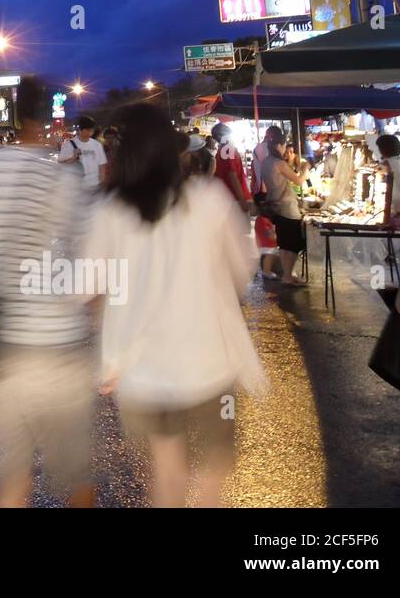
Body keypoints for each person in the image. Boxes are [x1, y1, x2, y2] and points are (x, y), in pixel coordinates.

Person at [82, 102, 266, 508]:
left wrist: (110, 343)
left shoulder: (109, 211)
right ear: (175, 153)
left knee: (167, 479)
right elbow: (241, 272)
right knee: (210, 481)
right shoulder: (208, 200)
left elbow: (88, 290)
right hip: (210, 365)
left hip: (143, 374)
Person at [0, 115, 97, 508]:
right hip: (59, 346)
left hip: (2, 353)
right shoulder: (63, 180)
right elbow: (90, 265)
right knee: (77, 483)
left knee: (12, 484)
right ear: (43, 124)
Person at [258, 131, 307, 287]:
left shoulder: (266, 161)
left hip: (275, 206)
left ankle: (287, 275)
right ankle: (287, 275)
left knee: (284, 243)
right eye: (284, 145)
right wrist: (306, 168)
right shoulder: (279, 163)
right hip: (288, 207)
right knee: (293, 244)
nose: (285, 149)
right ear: (278, 145)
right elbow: (298, 181)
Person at [210, 123, 254, 213]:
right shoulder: (228, 149)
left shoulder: (222, 149)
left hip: (228, 198)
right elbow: (232, 175)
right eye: (227, 130)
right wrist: (242, 201)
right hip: (235, 200)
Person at [57, 116, 107, 191]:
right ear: (80, 130)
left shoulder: (97, 145)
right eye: (87, 130)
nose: (90, 132)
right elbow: (61, 164)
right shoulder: (68, 144)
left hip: (94, 186)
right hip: (75, 188)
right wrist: (72, 158)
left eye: (91, 130)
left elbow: (102, 166)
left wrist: (102, 183)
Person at [251, 126, 284, 197]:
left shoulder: (257, 148)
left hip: (260, 188)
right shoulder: (269, 148)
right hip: (269, 189)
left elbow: (254, 169)